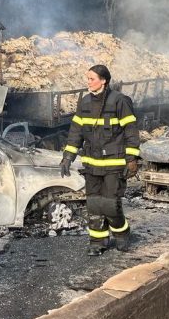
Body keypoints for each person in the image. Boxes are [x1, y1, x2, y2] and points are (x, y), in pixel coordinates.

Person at [60, 65, 140, 255]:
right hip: (92, 164)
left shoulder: (119, 101)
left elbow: (130, 131)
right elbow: (76, 132)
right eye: (87, 79)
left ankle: (122, 234)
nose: (88, 82)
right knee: (94, 204)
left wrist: (132, 159)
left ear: (103, 80)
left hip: (114, 163)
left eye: (91, 79)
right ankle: (98, 242)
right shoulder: (85, 102)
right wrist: (67, 156)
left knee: (110, 205)